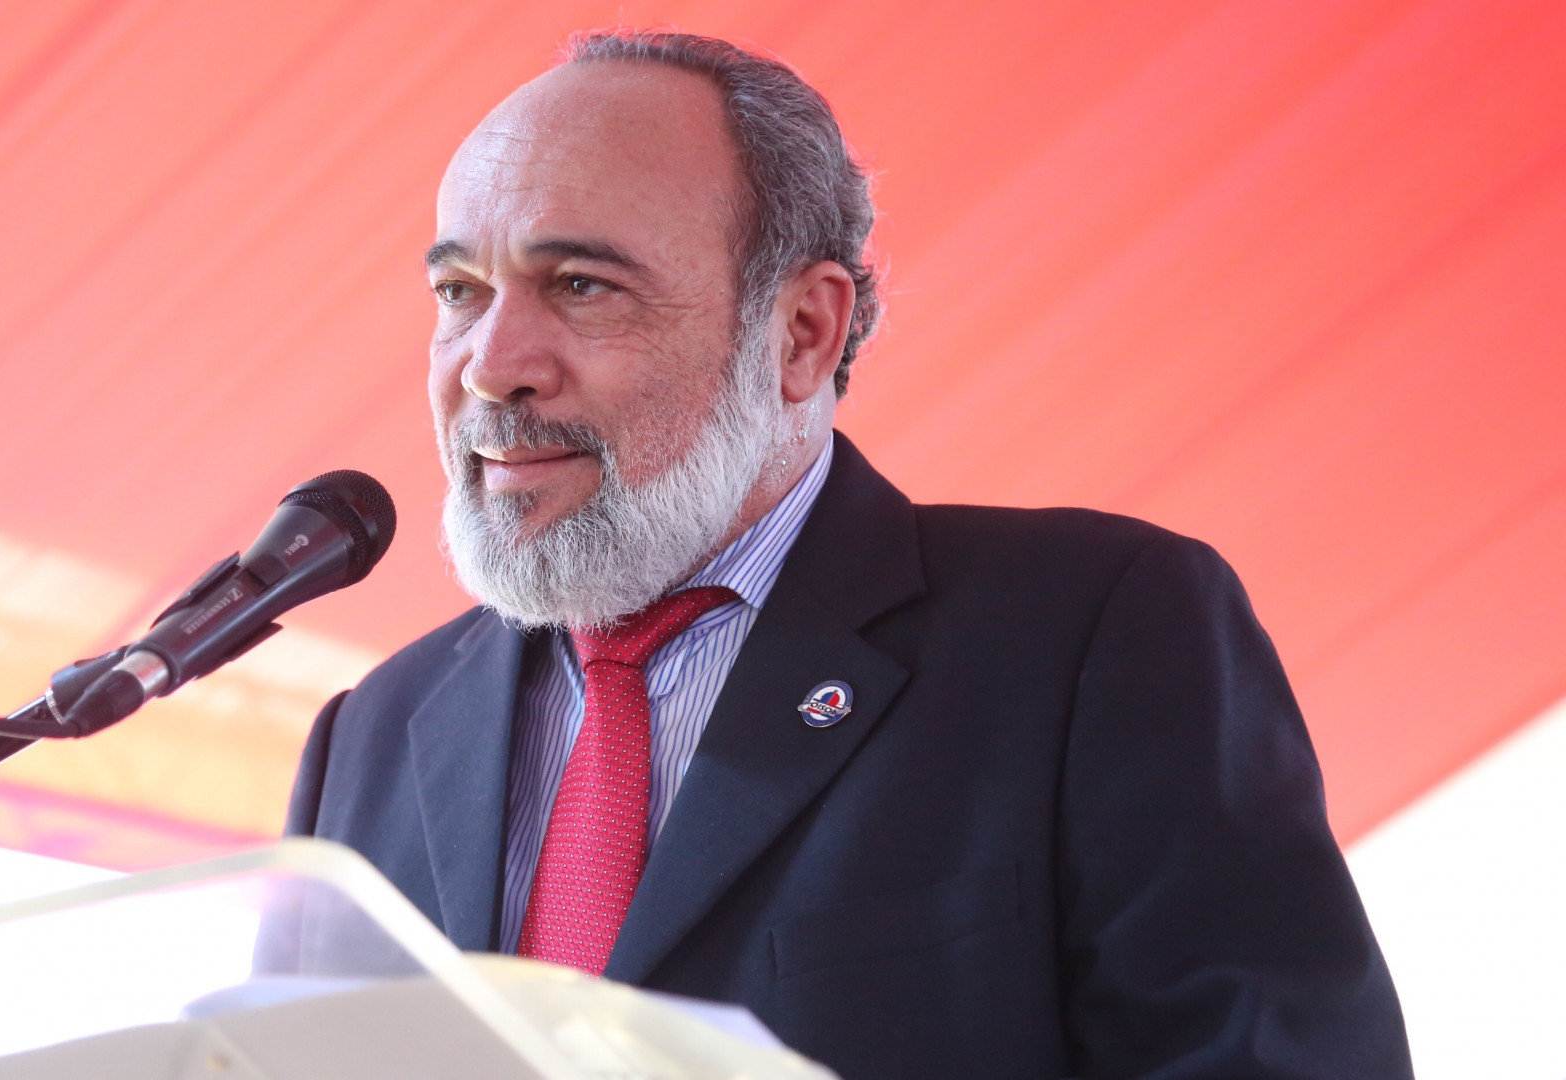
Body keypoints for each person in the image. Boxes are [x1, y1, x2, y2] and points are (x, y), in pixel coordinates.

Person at [284, 30, 1412, 1079]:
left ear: (802, 332)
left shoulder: (1089, 634)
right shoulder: (370, 739)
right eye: (460, 292)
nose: (491, 365)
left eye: (582, 286)